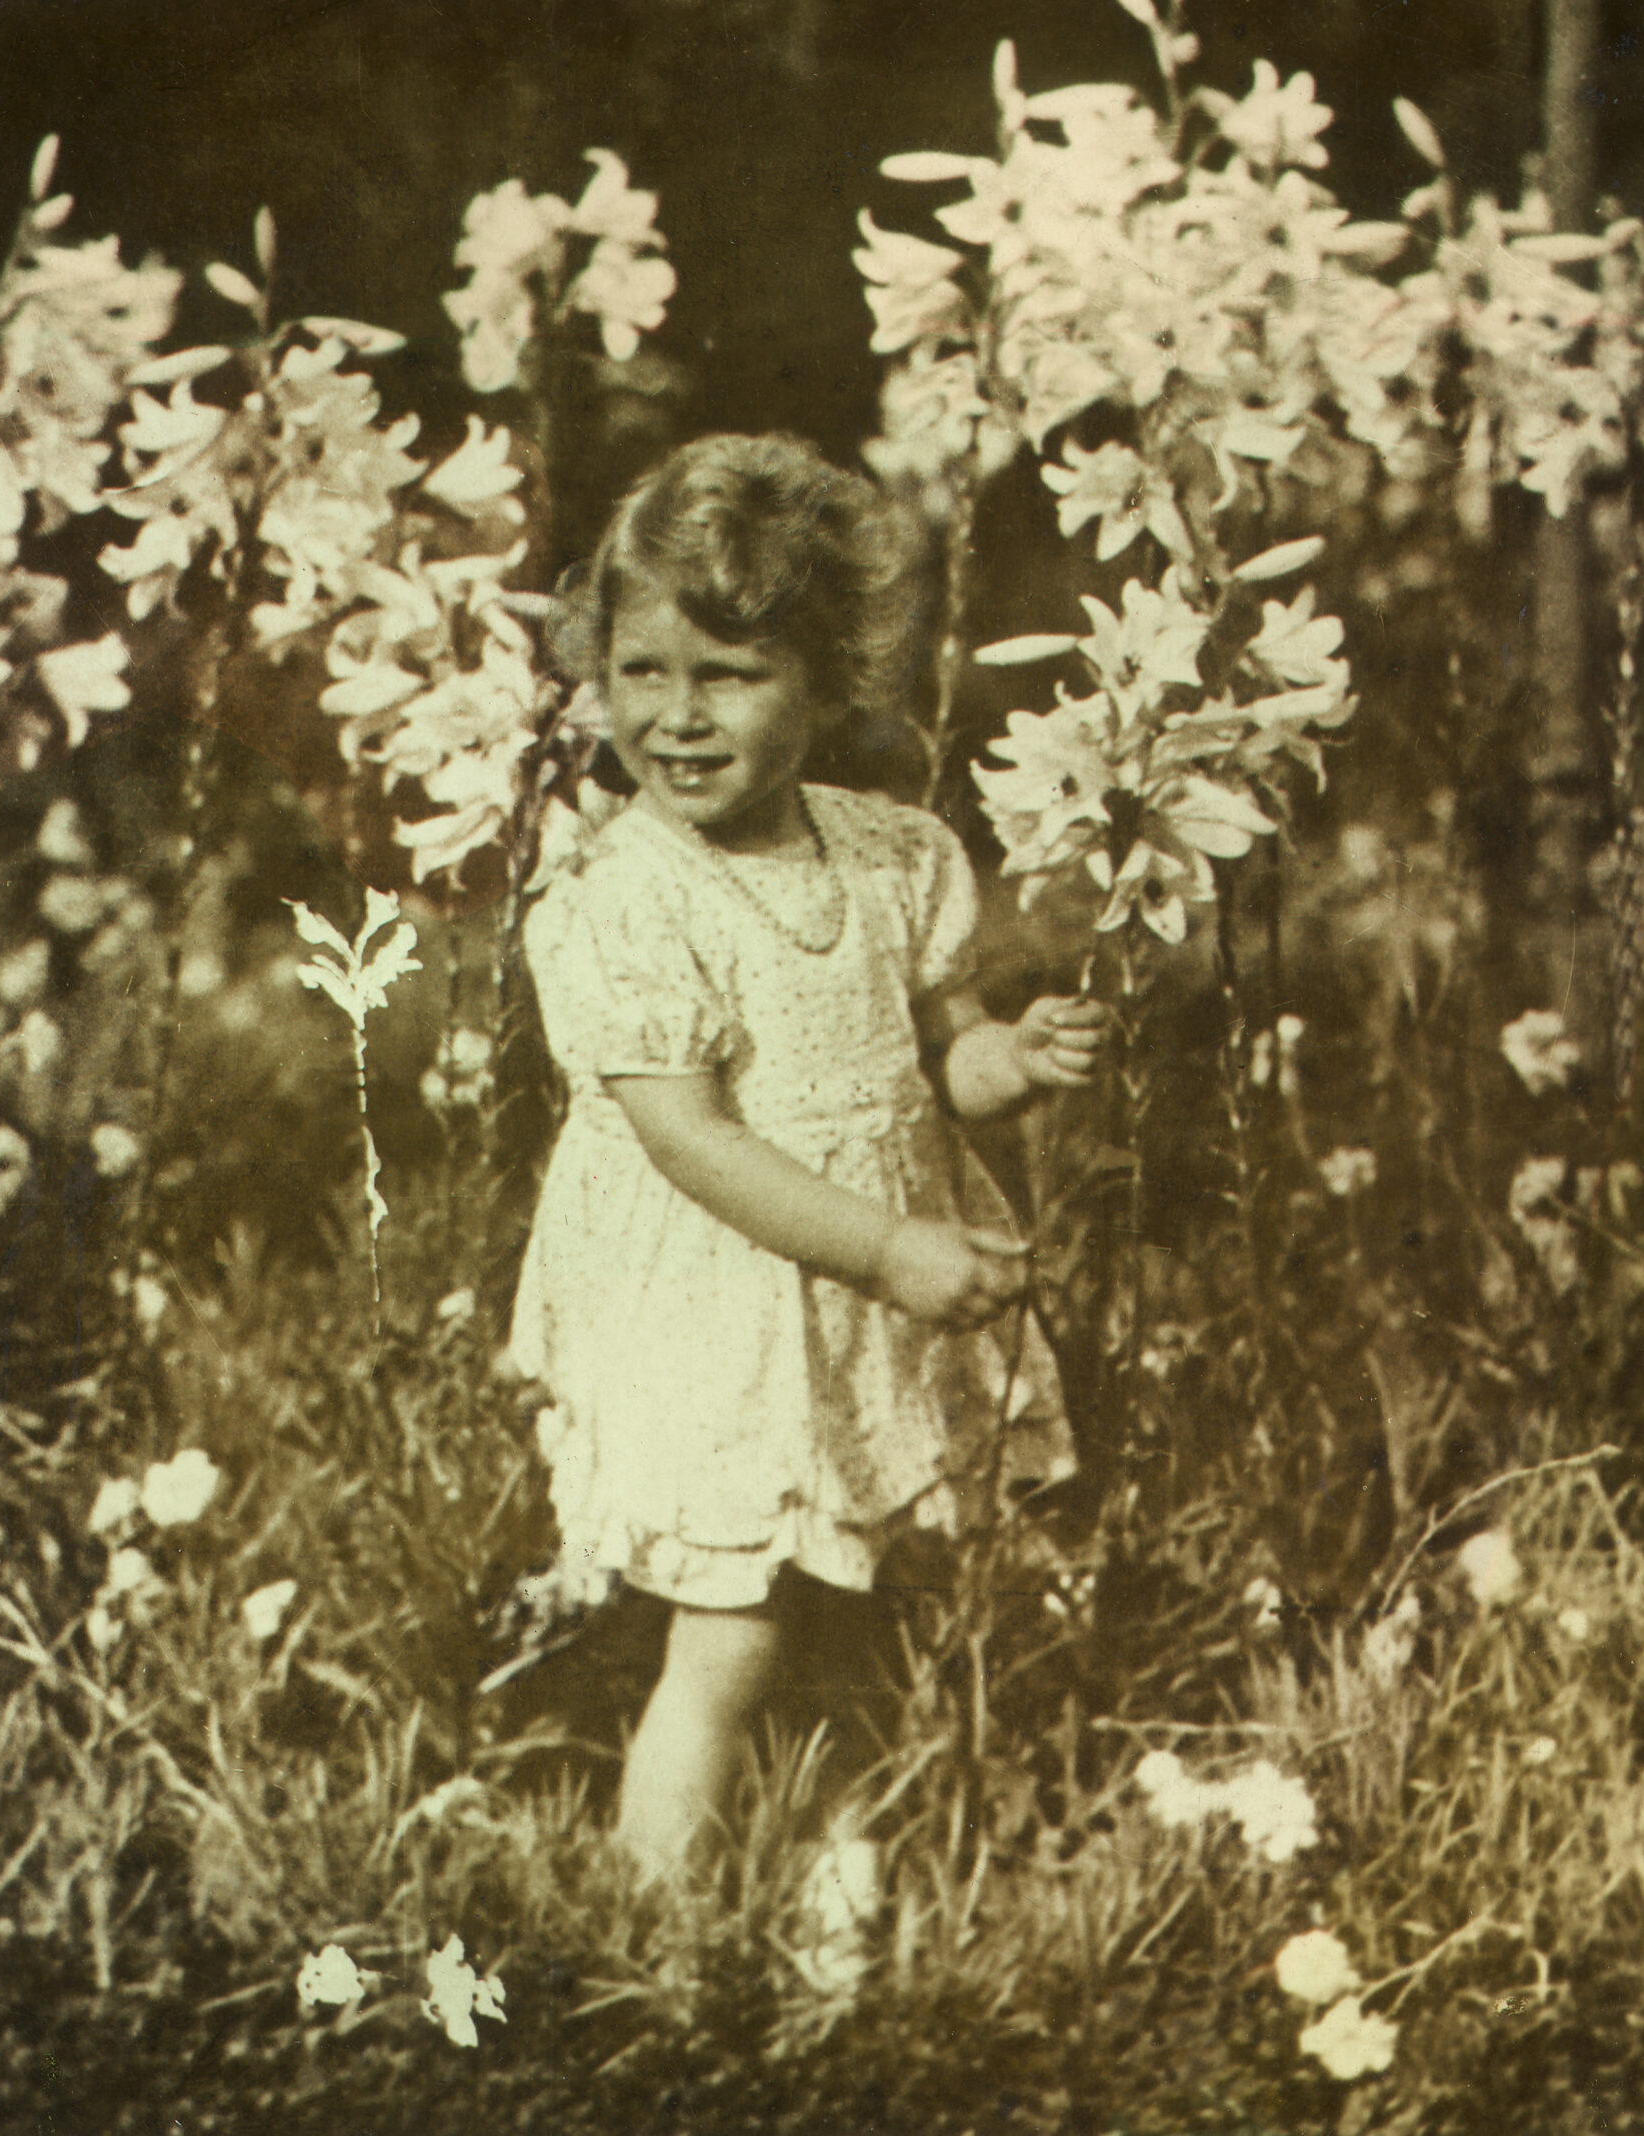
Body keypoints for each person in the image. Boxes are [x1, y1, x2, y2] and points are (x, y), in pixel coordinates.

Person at [507, 433, 1105, 1884]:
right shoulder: (625, 895)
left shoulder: (891, 856)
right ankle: (653, 1933)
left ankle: (837, 1880)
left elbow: (935, 1059)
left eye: (729, 675)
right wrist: (895, 1250)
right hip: (718, 1307)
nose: (678, 717)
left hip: (853, 1310)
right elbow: (694, 1144)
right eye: (643, 673)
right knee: (734, 1628)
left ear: (829, 684)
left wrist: (1008, 1063)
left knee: (856, 1608)